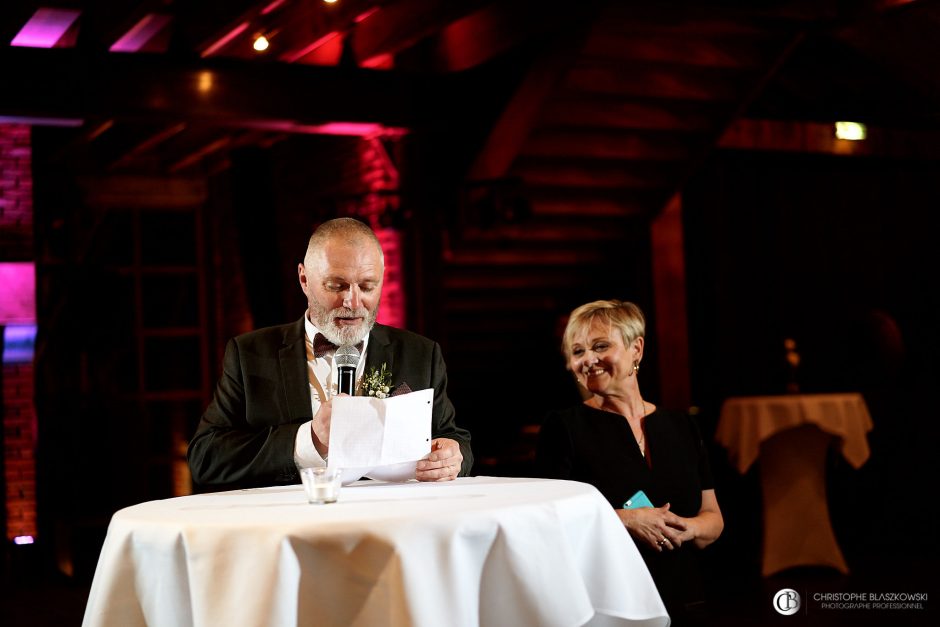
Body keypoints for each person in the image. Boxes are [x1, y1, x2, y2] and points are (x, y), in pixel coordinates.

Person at [188, 217, 472, 489]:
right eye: (336, 286)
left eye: (367, 286)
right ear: (304, 279)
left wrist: (452, 456)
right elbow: (206, 457)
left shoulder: (421, 353)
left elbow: (452, 439)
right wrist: (310, 439)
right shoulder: (250, 353)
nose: (352, 301)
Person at [535, 299, 723, 624]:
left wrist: (687, 529)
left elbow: (713, 520)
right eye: (578, 352)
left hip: (687, 598)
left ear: (636, 349)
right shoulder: (563, 427)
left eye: (600, 346)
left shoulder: (682, 425)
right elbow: (547, 520)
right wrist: (626, 519)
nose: (588, 360)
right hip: (609, 603)